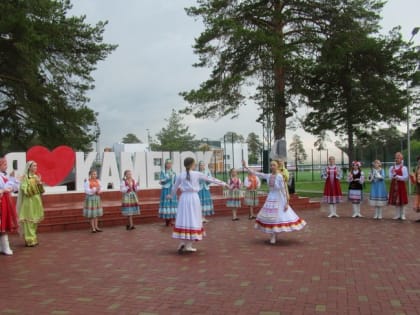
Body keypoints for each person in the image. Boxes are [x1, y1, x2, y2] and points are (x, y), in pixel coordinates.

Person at [168, 157, 228, 254]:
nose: (195, 165)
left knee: (185, 219)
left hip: (184, 198)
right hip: (193, 198)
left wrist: (171, 195)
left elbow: (174, 187)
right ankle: (188, 245)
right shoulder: (196, 174)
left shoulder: (180, 175)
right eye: (194, 164)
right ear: (192, 164)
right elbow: (210, 179)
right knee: (193, 219)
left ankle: (183, 242)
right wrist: (223, 184)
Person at [242, 160, 306, 245]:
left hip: (279, 197)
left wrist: (287, 202)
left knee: (277, 216)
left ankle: (275, 234)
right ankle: (272, 235)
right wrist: (246, 166)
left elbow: (283, 189)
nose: (272, 167)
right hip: (270, 197)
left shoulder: (280, 176)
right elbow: (257, 173)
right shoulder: (268, 175)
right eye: (271, 165)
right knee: (270, 216)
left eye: (274, 165)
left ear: (277, 166)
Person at [17, 161, 45, 247]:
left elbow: (41, 191)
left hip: (36, 201)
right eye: (34, 166)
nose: (36, 167)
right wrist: (34, 185)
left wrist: (39, 184)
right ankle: (29, 239)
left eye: (36, 166)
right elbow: (24, 189)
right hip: (29, 201)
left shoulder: (36, 177)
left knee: (35, 220)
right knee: (29, 220)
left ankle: (33, 237)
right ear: (29, 167)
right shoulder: (25, 177)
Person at [0, 158, 19, 255]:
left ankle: (4, 246)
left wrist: (13, 180)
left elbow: (11, 188)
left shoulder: (3, 176)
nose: (6, 166)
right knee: (1, 224)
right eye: (4, 164)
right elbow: (5, 188)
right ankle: (5, 247)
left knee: (3, 224)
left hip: (5, 201)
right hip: (1, 202)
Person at [388, 152, 408, 220]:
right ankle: (397, 214)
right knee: (396, 199)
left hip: (401, 185)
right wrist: (392, 176)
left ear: (401, 159)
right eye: (396, 158)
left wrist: (398, 176)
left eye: (398, 158)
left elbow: (405, 177)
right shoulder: (392, 167)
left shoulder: (404, 167)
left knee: (401, 199)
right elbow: (390, 177)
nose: (397, 159)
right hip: (394, 185)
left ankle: (402, 214)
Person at [158, 159, 178, 226]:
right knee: (166, 204)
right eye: (167, 163)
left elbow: (176, 181)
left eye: (170, 163)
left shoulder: (174, 172)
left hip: (172, 189)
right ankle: (167, 221)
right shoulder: (163, 172)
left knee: (172, 204)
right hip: (166, 189)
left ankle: (171, 220)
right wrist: (168, 178)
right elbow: (161, 181)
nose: (169, 165)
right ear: (165, 164)